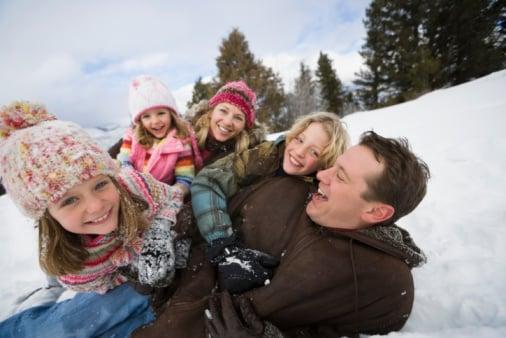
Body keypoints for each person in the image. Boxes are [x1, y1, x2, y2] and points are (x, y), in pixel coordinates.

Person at [132, 131, 429, 338]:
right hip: (152, 292)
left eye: (340, 177)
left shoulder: (380, 282)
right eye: (334, 166)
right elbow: (209, 208)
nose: (322, 175)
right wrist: (162, 250)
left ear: (376, 213)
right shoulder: (291, 190)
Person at [0, 101, 188, 337]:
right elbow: (103, 285)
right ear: (45, 214)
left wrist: (159, 230)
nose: (96, 205)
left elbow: (172, 197)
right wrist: (130, 268)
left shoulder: (134, 186)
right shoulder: (73, 267)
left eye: (100, 184)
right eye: (69, 200)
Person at [191, 111, 349, 294]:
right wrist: (224, 246)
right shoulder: (265, 155)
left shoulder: (321, 192)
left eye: (314, 151)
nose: (299, 152)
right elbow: (208, 180)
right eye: (299, 140)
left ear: (326, 162)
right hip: (221, 237)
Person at [116, 75, 201, 196]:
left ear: (171, 114)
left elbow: (185, 178)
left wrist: (174, 193)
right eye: (146, 116)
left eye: (161, 113)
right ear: (139, 121)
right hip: (133, 188)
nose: (155, 121)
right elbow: (124, 160)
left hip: (164, 192)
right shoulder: (132, 137)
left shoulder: (180, 142)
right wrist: (131, 180)